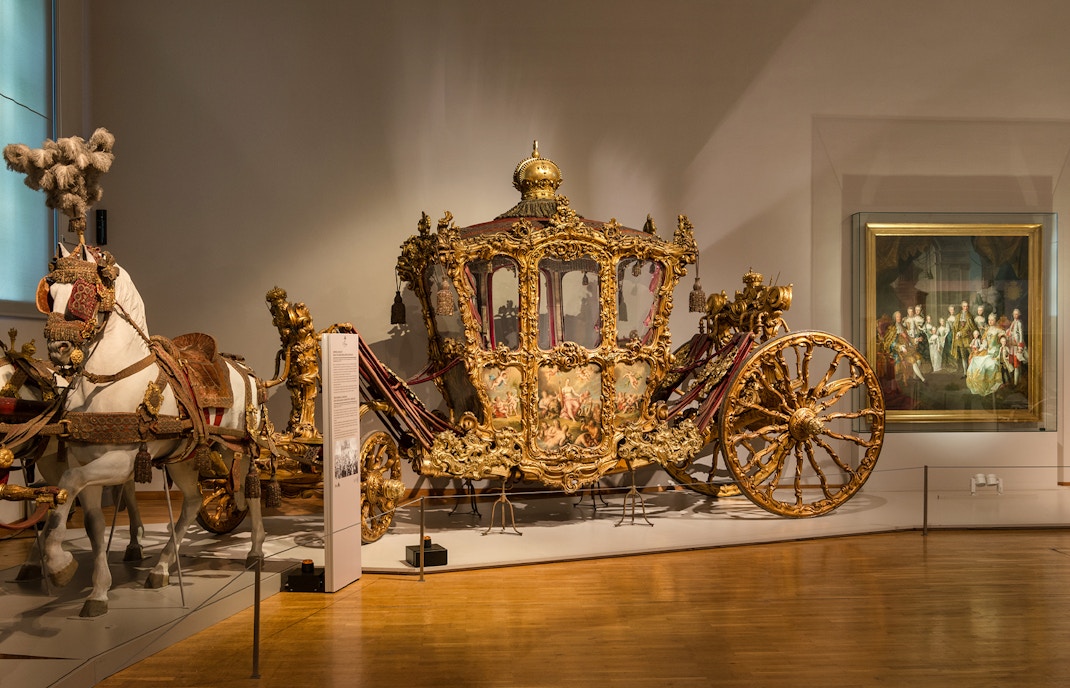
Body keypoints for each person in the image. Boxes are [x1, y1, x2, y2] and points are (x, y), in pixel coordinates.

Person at [966, 313, 1005, 396]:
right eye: (989, 320)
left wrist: (1002, 337)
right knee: (975, 360)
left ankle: (990, 384)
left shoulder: (999, 330)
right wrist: (979, 350)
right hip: (988, 352)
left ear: (995, 321)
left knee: (987, 364)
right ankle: (977, 384)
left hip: (995, 353)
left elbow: (1003, 339)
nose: (990, 322)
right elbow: (984, 343)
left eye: (992, 320)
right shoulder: (987, 330)